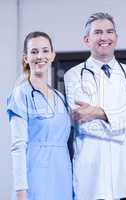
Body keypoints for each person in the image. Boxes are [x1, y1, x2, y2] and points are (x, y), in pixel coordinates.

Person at [64, 12, 126, 200]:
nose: (105, 37)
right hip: (93, 172)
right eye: (98, 32)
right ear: (86, 39)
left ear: (116, 38)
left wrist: (98, 112)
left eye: (110, 32)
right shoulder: (73, 75)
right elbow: (86, 124)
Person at [6, 31, 72, 200]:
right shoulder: (21, 94)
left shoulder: (60, 97)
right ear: (26, 58)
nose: (40, 56)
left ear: (52, 55)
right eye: (34, 52)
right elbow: (18, 147)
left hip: (62, 178)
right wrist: (21, 191)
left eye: (45, 50)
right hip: (35, 179)